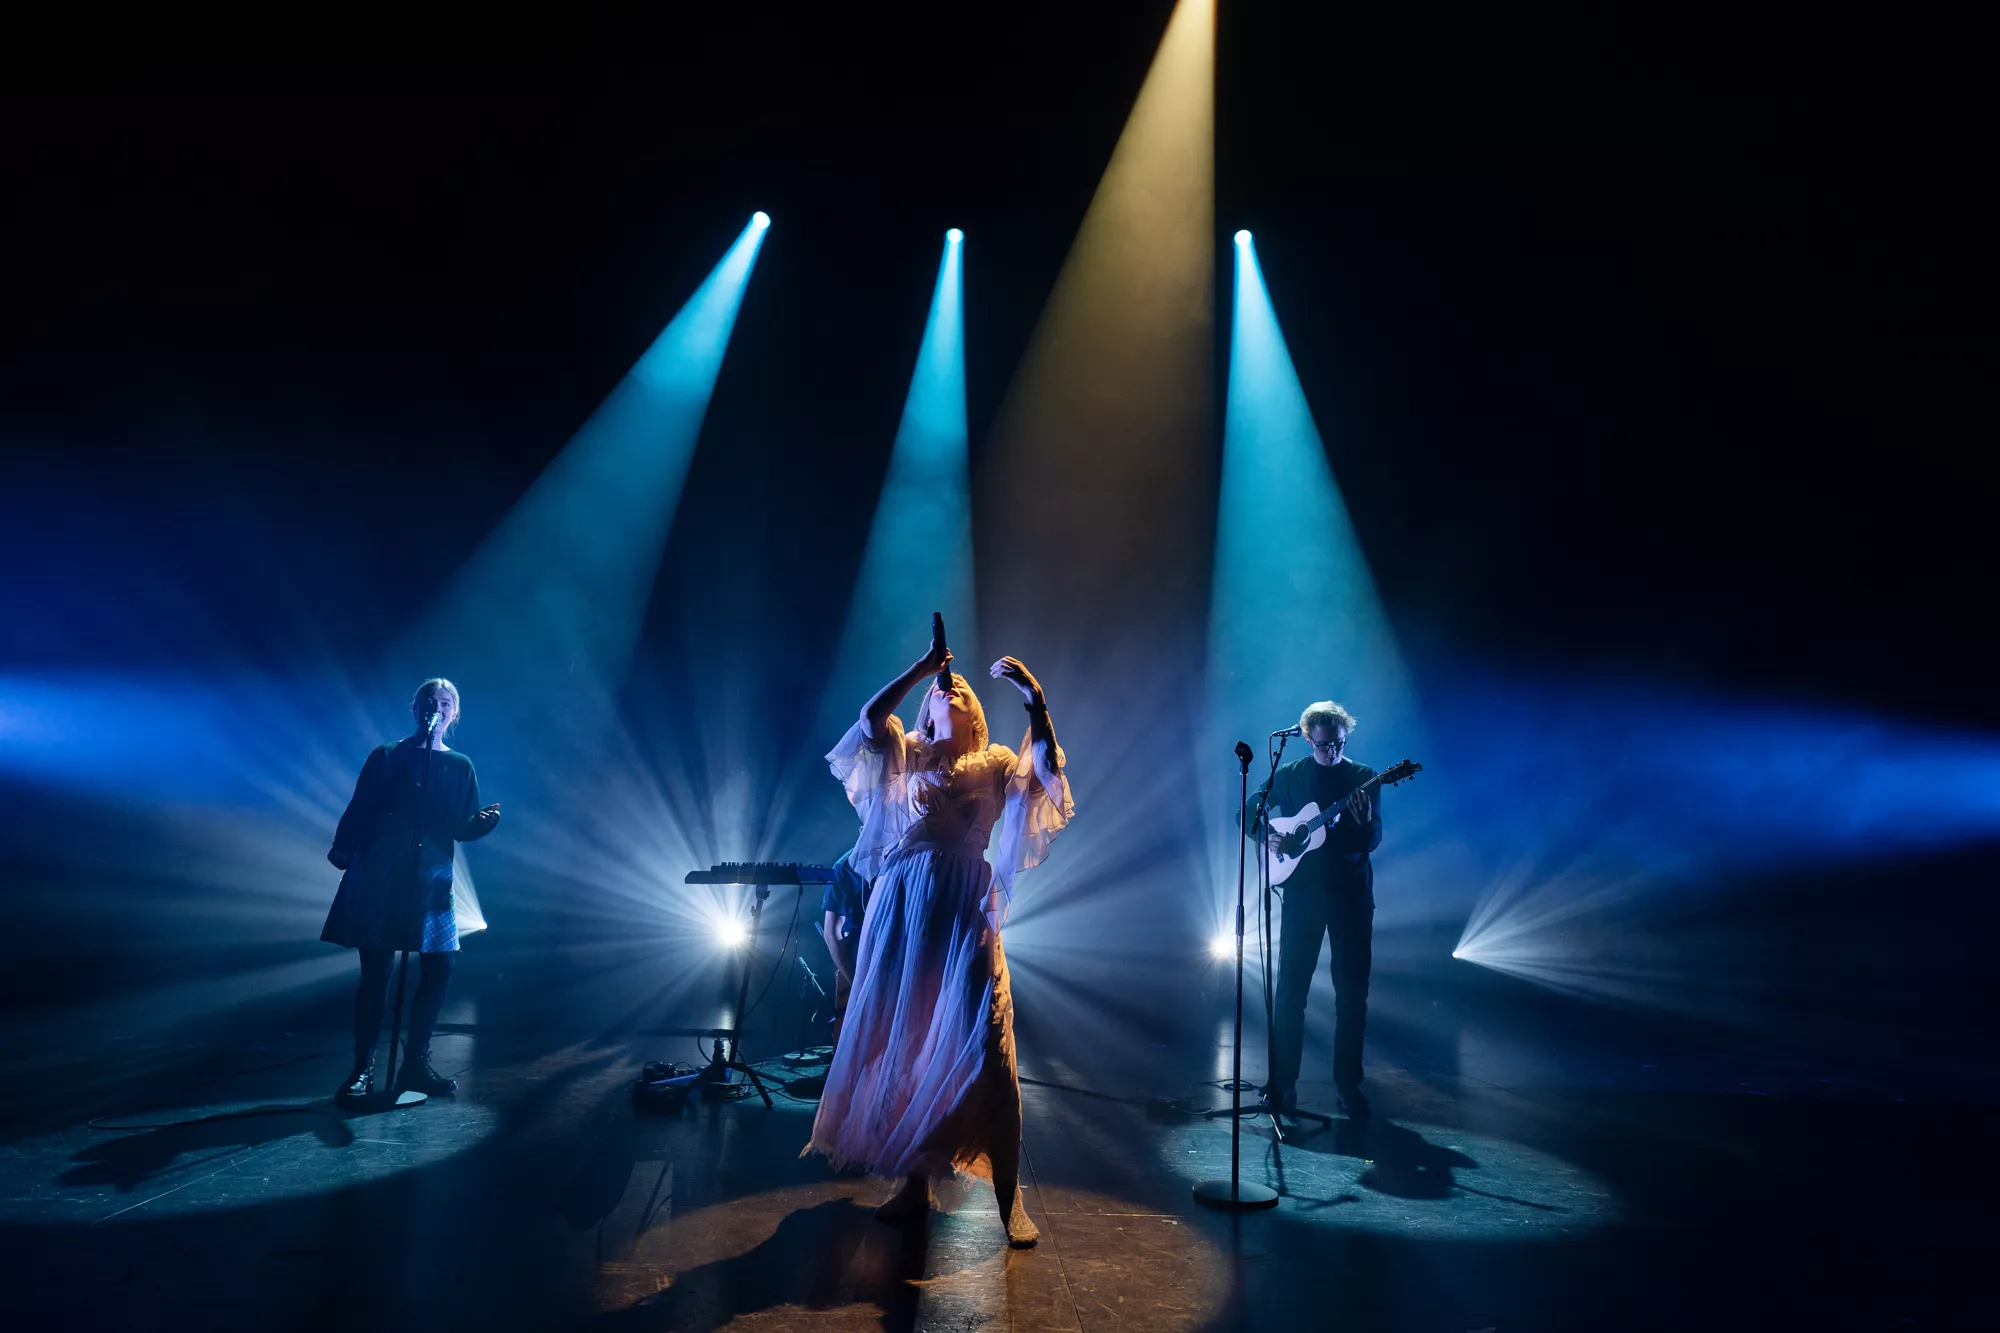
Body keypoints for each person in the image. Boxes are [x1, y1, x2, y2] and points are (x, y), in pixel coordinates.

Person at [808, 640, 1073, 1247]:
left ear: (974, 710)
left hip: (963, 905)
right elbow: (870, 720)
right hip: (903, 907)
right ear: (926, 710)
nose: (947, 688)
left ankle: (1008, 1194)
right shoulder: (908, 751)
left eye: (955, 685)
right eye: (937, 689)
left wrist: (1035, 701)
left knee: (987, 1043)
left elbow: (1046, 771)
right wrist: (922, 669)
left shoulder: (996, 761)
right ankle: (913, 1182)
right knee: (906, 1039)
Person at [323, 678, 500, 1100]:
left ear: (454, 713)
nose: (436, 707)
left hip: (431, 873)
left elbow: (459, 825)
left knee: (440, 966)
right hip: (382, 867)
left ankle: (415, 1064)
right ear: (415, 708)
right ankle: (363, 1068)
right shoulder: (387, 755)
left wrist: (481, 826)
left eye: (445, 702)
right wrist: (343, 846)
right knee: (377, 970)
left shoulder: (460, 765)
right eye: (428, 700)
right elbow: (361, 805)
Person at [1243, 700, 1381, 1119]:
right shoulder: (1289, 774)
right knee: (1290, 991)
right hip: (1302, 895)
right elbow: (1247, 810)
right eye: (1324, 745)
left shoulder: (1363, 777)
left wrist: (1364, 822)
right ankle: (1282, 1083)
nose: (1332, 752)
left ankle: (1348, 1086)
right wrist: (1266, 834)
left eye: (1339, 743)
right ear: (1307, 739)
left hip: (1350, 897)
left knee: (1352, 994)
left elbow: (1373, 839)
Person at [818, 850, 873, 1042]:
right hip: (859, 964)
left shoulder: (907, 857)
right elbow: (831, 933)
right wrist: (856, 984)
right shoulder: (845, 867)